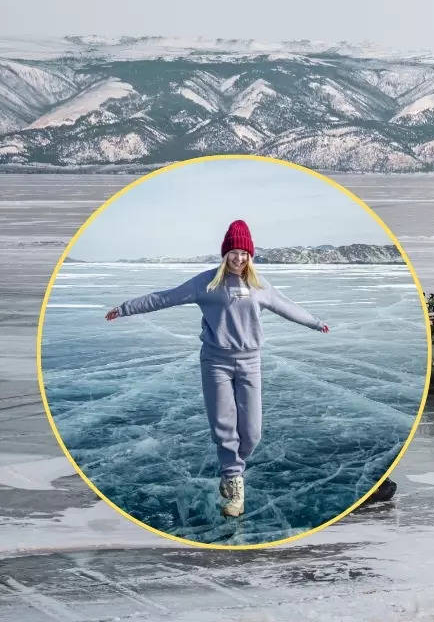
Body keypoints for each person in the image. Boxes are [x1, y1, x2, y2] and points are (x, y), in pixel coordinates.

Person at [106, 220, 329, 518]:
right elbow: (165, 297)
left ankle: (232, 469)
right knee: (225, 427)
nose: (239, 258)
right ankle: (234, 481)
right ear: (225, 255)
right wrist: (125, 308)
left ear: (251, 256)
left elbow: (287, 306)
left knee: (251, 434)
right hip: (216, 362)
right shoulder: (206, 284)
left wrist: (315, 323)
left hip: (250, 362)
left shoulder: (259, 287)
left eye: (244, 253)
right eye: (234, 252)